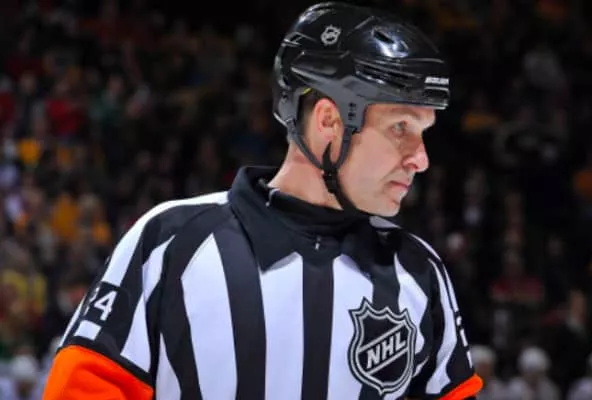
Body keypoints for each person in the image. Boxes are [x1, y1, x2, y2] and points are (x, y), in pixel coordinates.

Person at [41, 2, 483, 399]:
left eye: (423, 133)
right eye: (401, 128)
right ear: (329, 121)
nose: (421, 159)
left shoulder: (419, 272)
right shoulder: (170, 243)